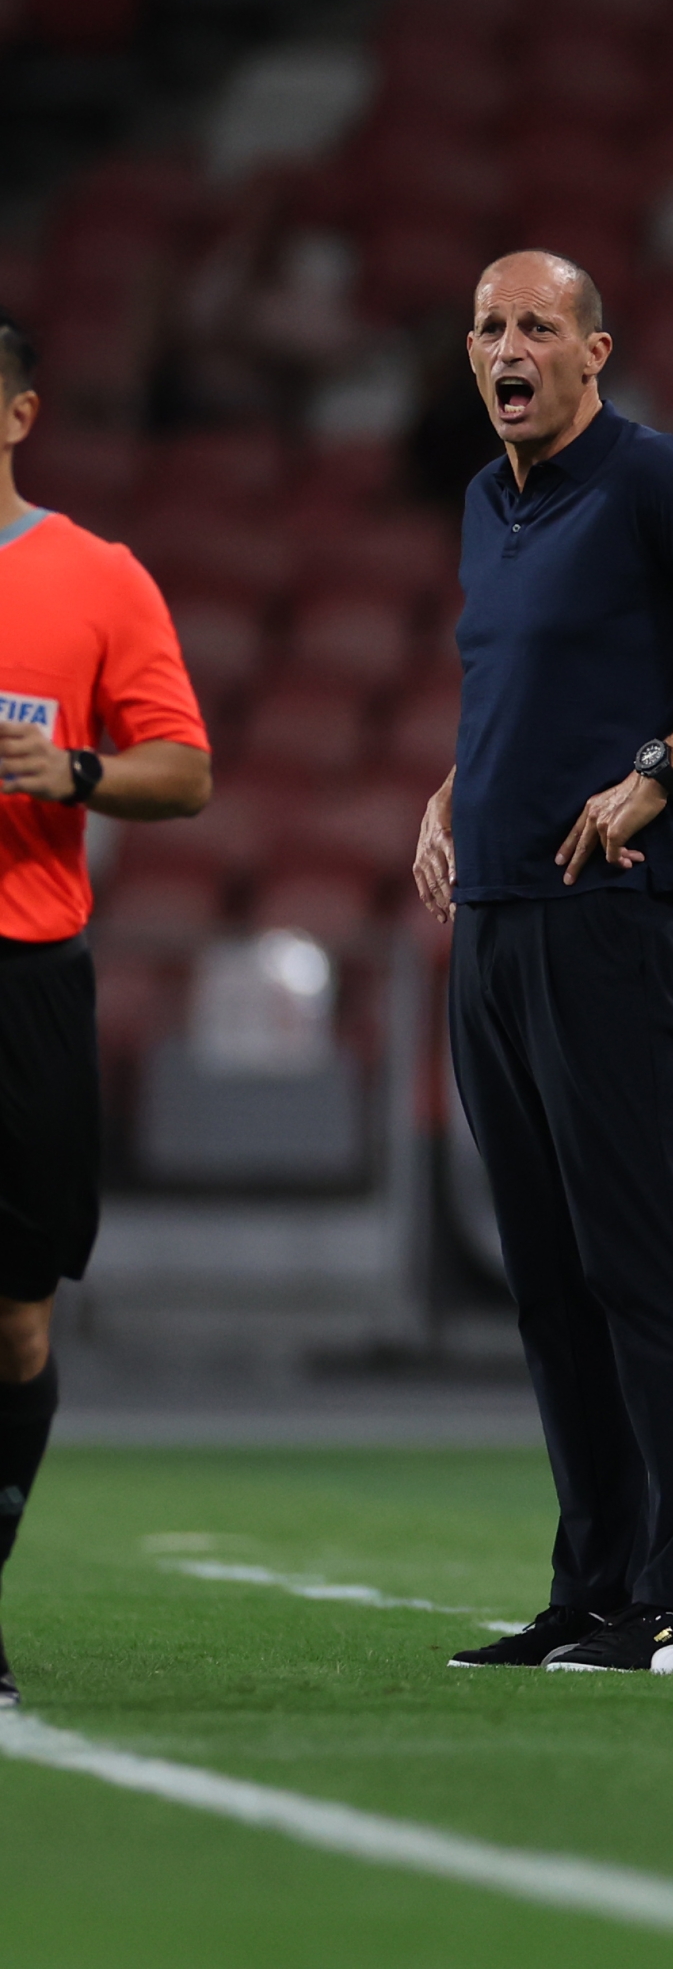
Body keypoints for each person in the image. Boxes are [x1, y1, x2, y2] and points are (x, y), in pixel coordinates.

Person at [411, 251, 673, 1674]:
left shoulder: (655, 480)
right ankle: (591, 1586)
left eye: (537, 323)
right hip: (493, 917)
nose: (508, 345)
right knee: (544, 1272)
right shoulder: (487, 503)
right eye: (487, 326)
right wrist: (446, 794)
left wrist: (666, 766)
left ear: (597, 351)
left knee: (639, 1254)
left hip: (608, 913)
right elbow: (514, 685)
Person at [0, 308, 212, 1705]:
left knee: (14, 1319)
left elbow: (184, 771)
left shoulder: (96, 577)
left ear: (17, 415)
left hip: (23, 978)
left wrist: (65, 772)